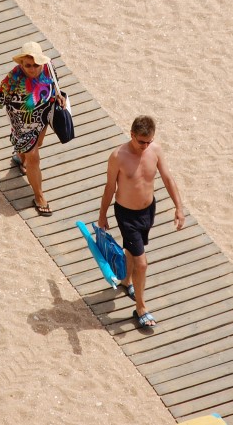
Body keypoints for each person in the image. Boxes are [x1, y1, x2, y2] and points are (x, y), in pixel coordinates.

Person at [98, 115, 185, 328]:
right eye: (141, 142)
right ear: (132, 135)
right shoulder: (118, 156)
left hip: (147, 211)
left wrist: (179, 207)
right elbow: (110, 187)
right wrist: (102, 215)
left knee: (132, 250)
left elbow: (167, 178)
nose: (145, 146)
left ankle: (127, 281)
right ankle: (141, 307)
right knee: (142, 263)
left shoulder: (155, 150)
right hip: (126, 214)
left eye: (149, 141)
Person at [0, 41, 66, 216]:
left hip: (43, 115)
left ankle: (19, 157)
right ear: (21, 64)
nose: (32, 69)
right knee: (34, 157)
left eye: (35, 65)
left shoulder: (48, 67)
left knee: (37, 145)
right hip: (21, 121)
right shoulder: (14, 77)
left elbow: (55, 86)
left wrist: (58, 97)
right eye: (28, 65)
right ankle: (39, 197)